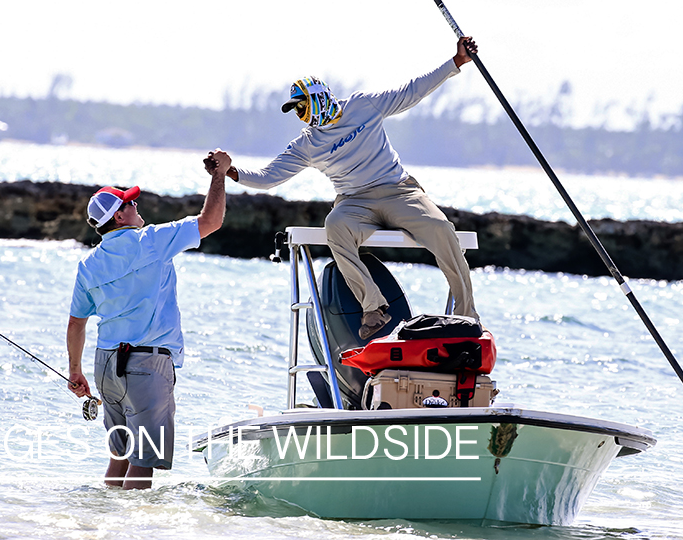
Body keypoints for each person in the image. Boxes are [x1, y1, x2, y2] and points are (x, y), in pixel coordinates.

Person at [219, 38, 480, 340]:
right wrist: (233, 172)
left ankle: (467, 318)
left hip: (399, 191)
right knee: (335, 224)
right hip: (354, 202)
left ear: (319, 97)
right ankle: (373, 307)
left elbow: (412, 92)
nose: (301, 115)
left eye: (301, 107)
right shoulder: (307, 143)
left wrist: (456, 62)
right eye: (296, 111)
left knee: (441, 228)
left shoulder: (363, 105)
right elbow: (268, 176)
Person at [66, 149, 232, 489]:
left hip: (105, 366)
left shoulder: (88, 264)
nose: (136, 206)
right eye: (130, 204)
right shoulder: (151, 241)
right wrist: (219, 176)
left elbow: (76, 323)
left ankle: (104, 524)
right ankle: (132, 529)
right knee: (143, 463)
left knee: (120, 456)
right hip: (145, 365)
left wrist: (75, 372)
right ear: (120, 217)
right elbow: (211, 221)